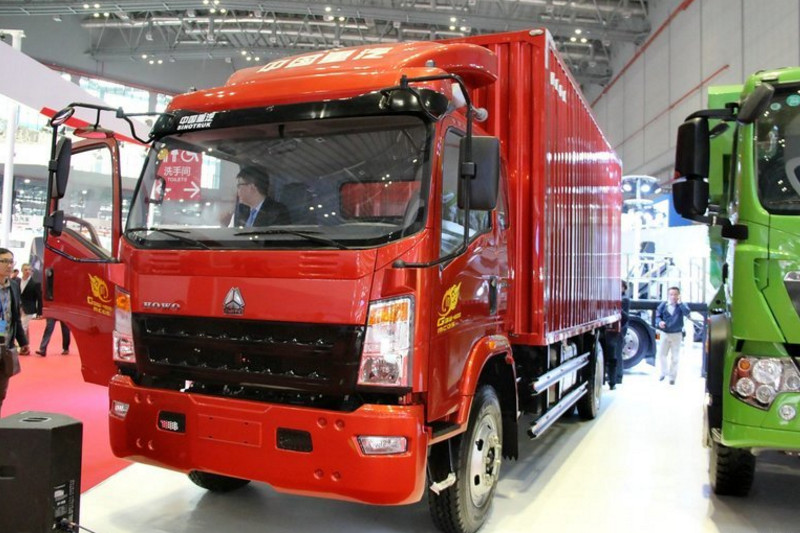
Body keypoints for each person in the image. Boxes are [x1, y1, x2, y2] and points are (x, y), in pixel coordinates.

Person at [0, 248, 28, 416]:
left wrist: (23, 341)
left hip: (6, 348)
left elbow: (16, 317)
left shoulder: (14, 287)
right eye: (4, 261)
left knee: (1, 392)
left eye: (11, 261)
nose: (9, 265)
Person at [655, 286, 691, 385]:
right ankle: (664, 372)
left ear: (679, 295)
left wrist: (680, 303)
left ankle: (672, 377)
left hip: (677, 334)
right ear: (668, 295)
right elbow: (657, 316)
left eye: (675, 294)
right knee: (661, 354)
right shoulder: (664, 305)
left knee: (675, 357)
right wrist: (659, 322)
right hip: (665, 333)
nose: (673, 297)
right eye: (671, 294)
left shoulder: (682, 305)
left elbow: (687, 313)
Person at [607, 280, 630, 390]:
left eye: (620, 286)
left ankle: (617, 377)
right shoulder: (616, 298)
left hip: (620, 329)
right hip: (615, 328)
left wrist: (615, 306)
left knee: (617, 353)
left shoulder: (624, 299)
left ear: (624, 288)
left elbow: (624, 316)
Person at [18, 263, 41, 355]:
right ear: (22, 271)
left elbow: (39, 298)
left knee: (22, 327)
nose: (27, 271)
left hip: (29, 308)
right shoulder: (17, 281)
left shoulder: (35, 283)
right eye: (25, 269)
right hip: (18, 308)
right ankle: (26, 347)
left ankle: (20, 347)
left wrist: (40, 312)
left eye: (29, 270)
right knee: (25, 328)